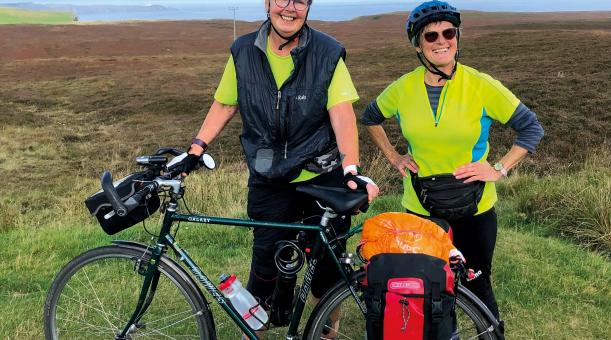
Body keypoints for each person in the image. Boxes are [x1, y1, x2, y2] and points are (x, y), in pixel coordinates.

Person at [172, 0, 379, 335]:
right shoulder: (243, 51)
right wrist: (195, 150)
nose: (290, 8)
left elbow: (341, 113)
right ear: (268, 4)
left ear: (308, 7)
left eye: (300, 1)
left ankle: (327, 329)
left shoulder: (327, 52)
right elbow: (226, 102)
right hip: (269, 175)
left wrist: (350, 168)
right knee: (266, 258)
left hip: (321, 171)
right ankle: (255, 328)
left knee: (326, 267)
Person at [360, 0, 544, 330]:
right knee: (430, 284)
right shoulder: (403, 88)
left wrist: (498, 168)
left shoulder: (480, 84)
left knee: (475, 281)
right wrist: (394, 157)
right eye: (430, 36)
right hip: (421, 207)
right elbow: (371, 117)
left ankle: (489, 333)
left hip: (475, 208)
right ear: (418, 45)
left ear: (457, 37)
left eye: (449, 32)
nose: (441, 41)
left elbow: (531, 128)